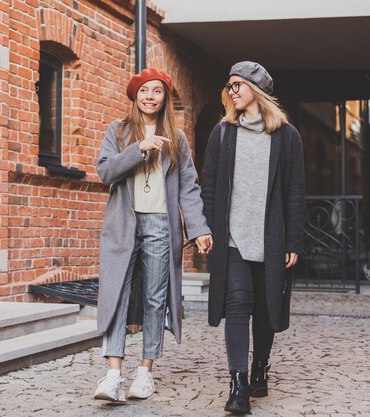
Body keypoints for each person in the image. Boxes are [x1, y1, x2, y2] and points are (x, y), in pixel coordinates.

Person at [94, 68, 213, 402]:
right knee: (117, 293)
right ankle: (113, 373)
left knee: (154, 298)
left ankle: (145, 371)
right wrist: (139, 149)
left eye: (157, 91)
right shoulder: (117, 131)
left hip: (161, 223)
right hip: (123, 225)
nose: (150, 96)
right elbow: (105, 171)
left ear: (165, 98)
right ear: (135, 95)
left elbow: (189, 186)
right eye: (144, 90)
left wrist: (199, 227)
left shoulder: (177, 139)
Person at [200, 61, 305, 414]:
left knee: (265, 308)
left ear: (257, 90)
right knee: (238, 306)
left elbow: (294, 191)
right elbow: (210, 185)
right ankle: (238, 384)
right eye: (229, 86)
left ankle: (260, 367)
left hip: (271, 238)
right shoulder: (223, 133)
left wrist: (293, 241)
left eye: (238, 85)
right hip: (232, 239)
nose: (232, 91)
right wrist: (205, 229)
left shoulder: (287, 136)